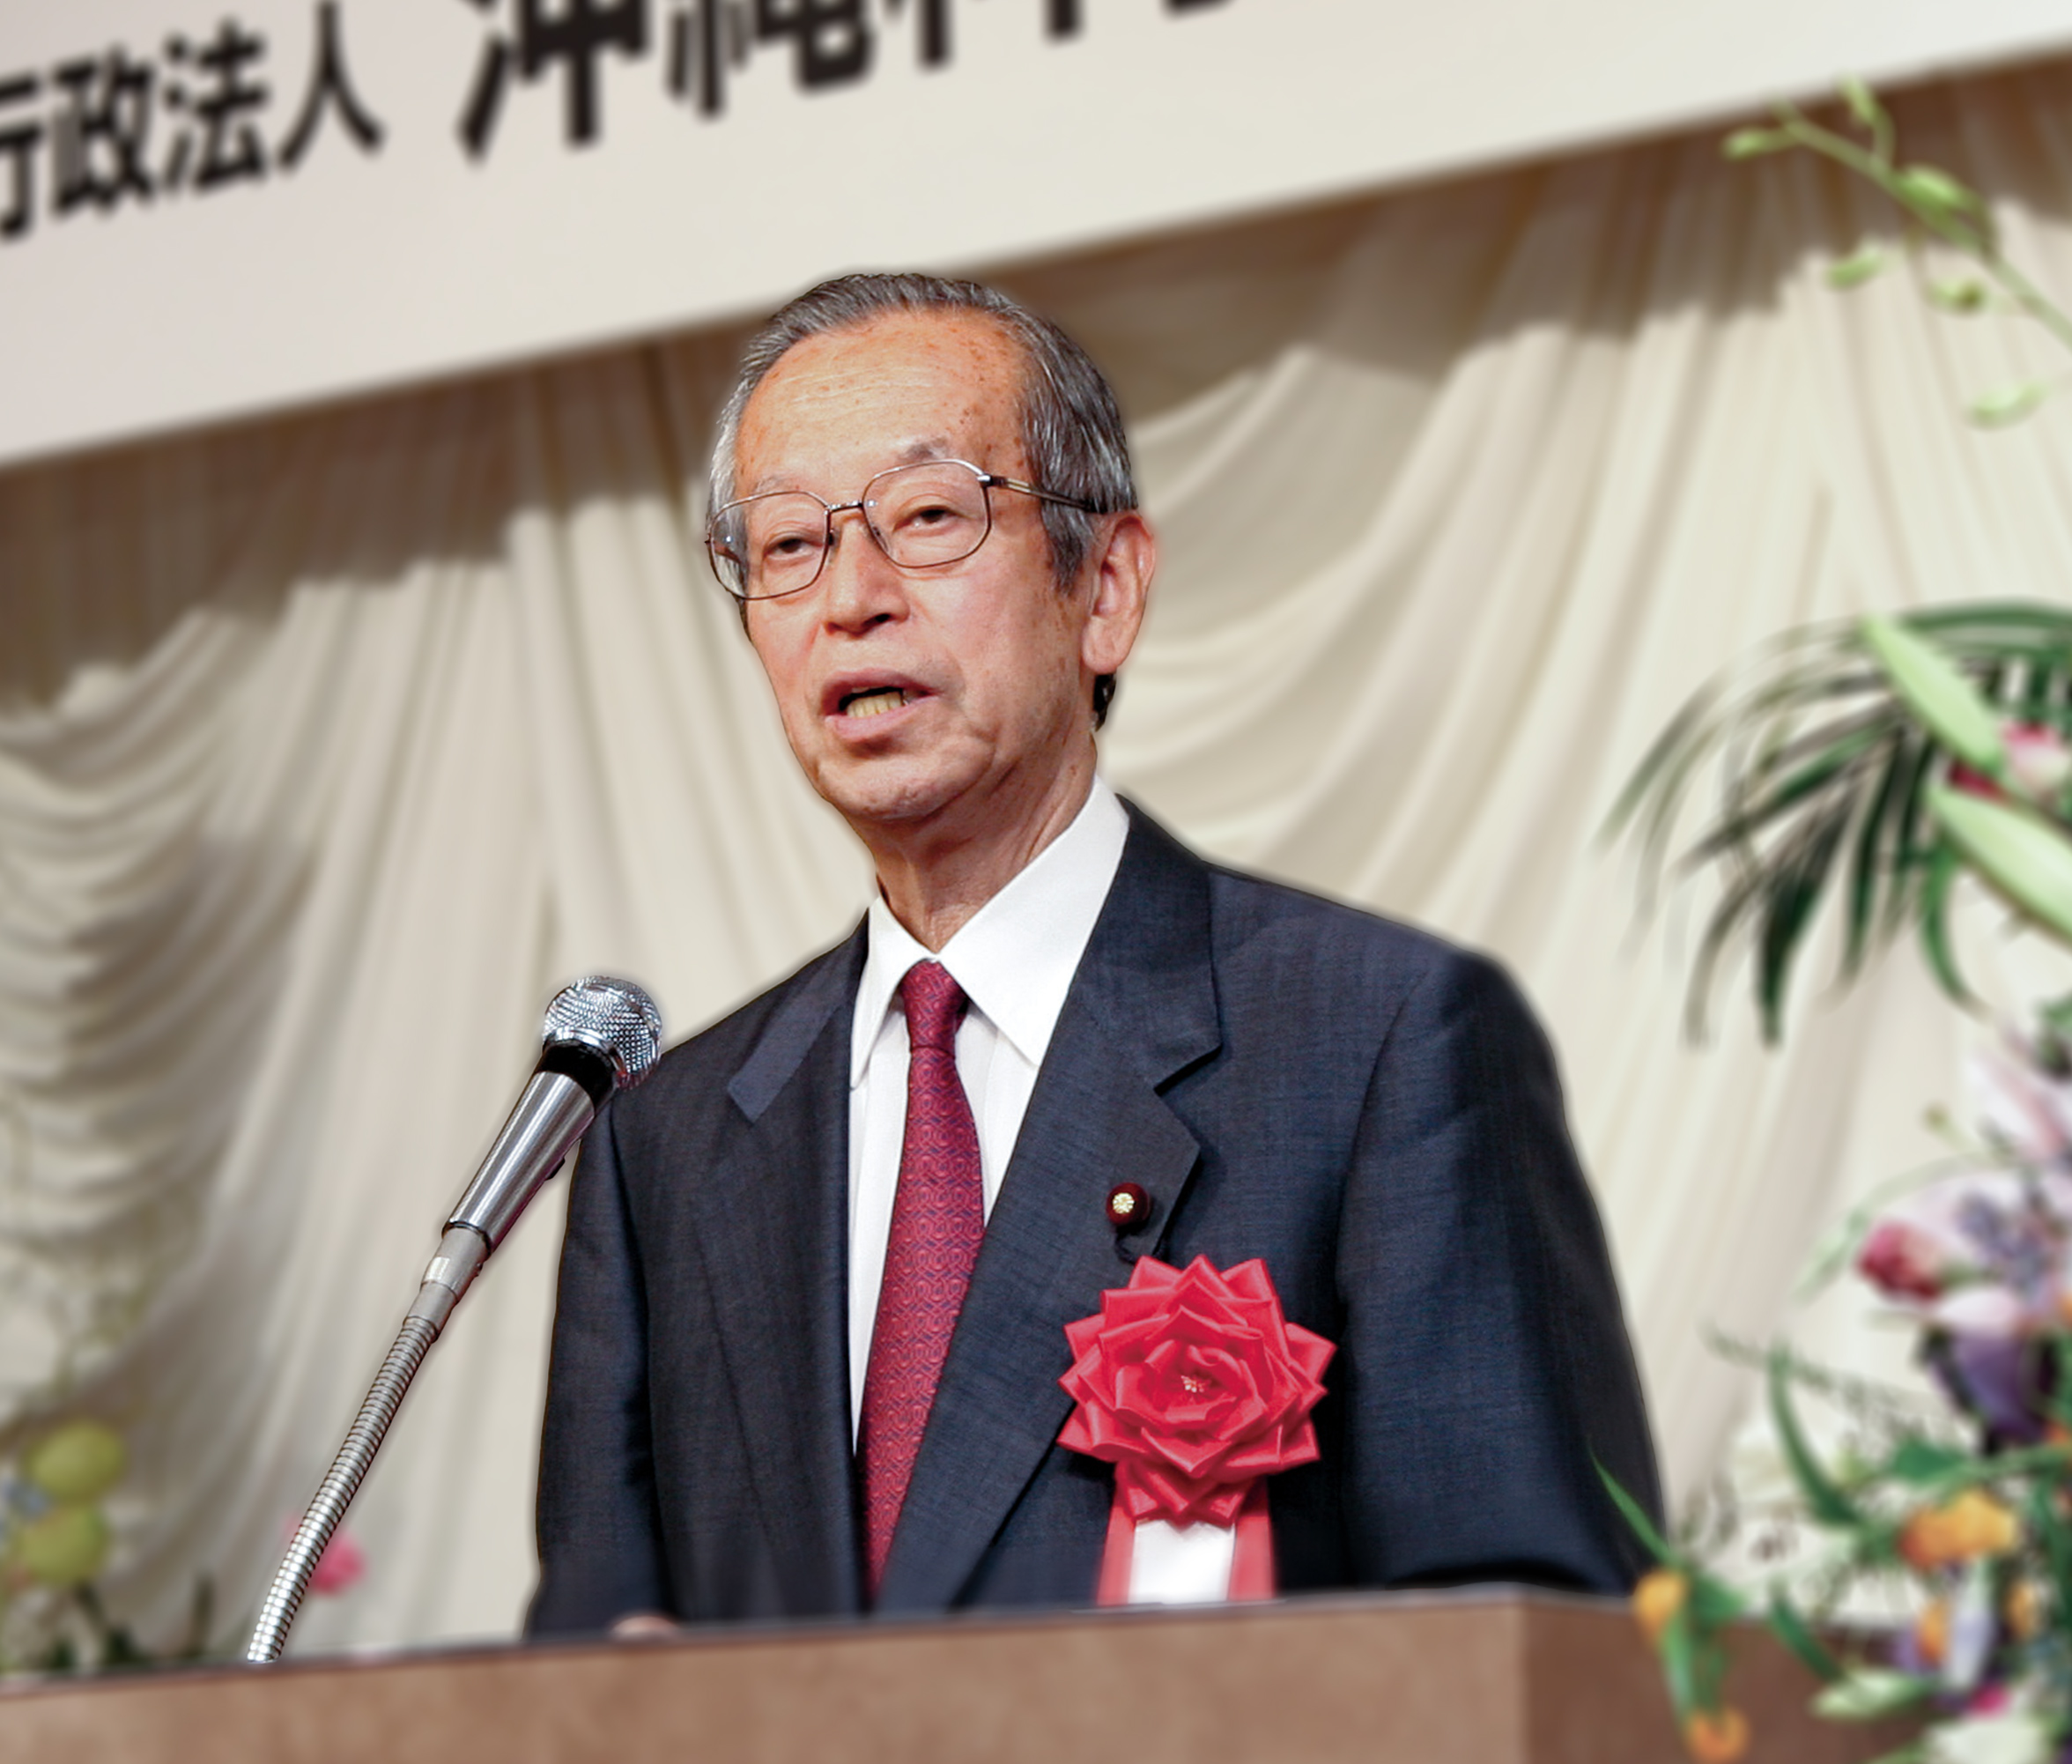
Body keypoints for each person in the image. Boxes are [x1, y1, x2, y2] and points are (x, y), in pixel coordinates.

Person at [526, 274, 1659, 1633]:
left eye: (929, 517)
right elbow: (584, 1700)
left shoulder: (1380, 1045)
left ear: (1104, 590)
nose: (852, 599)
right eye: (786, 547)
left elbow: (1526, 1645)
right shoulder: (672, 1146)